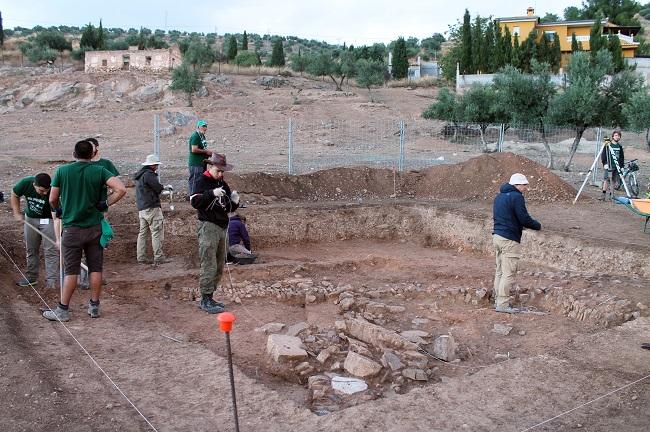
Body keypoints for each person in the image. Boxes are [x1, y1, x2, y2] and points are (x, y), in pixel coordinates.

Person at [43, 140, 126, 322]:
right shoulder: (100, 171)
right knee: (95, 268)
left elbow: (52, 198)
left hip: (72, 229)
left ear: (74, 154)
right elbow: (120, 189)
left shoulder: (62, 171)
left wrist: (58, 210)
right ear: (92, 154)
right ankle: (94, 306)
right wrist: (105, 204)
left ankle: (63, 310)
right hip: (94, 228)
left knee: (71, 271)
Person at [190, 153, 240, 314]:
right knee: (209, 263)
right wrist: (211, 194)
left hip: (221, 227)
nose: (221, 174)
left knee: (219, 264)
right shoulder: (201, 182)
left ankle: (210, 296)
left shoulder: (222, 184)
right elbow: (195, 202)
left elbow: (229, 209)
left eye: (222, 171)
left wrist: (234, 202)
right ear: (210, 167)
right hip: (208, 226)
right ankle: (205, 298)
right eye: (219, 170)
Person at [492, 173, 541, 314]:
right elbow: (524, 218)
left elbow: (505, 216)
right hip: (509, 239)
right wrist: (537, 225)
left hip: (497, 236)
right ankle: (502, 304)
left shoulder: (499, 196)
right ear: (517, 185)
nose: (525, 188)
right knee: (508, 273)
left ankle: (497, 300)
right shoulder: (517, 197)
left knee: (500, 272)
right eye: (524, 185)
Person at [11, 173, 58, 289]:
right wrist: (17, 213)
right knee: (31, 248)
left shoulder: (53, 190)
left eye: (46, 190)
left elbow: (57, 215)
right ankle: (31, 278)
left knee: (51, 250)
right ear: (34, 185)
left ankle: (51, 282)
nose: (45, 193)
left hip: (49, 220)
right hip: (30, 219)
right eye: (41, 191)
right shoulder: (25, 183)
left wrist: (59, 234)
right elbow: (14, 194)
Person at [134, 154, 173, 265]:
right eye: (156, 165)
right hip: (152, 207)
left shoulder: (140, 176)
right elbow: (157, 188)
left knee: (142, 233)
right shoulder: (150, 175)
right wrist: (164, 188)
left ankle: (141, 257)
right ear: (152, 165)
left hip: (142, 208)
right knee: (156, 232)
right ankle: (159, 257)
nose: (156, 167)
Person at [188, 120, 213, 195]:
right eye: (203, 126)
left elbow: (203, 148)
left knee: (200, 180)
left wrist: (208, 154)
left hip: (202, 162)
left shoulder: (202, 136)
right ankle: (192, 196)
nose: (205, 128)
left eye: (205, 126)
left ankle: (198, 195)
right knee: (195, 179)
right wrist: (206, 152)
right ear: (198, 127)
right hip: (196, 163)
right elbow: (194, 149)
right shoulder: (195, 136)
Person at [601, 131, 624, 200]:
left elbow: (621, 157)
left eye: (618, 136)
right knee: (606, 180)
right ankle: (603, 195)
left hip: (616, 166)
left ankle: (612, 195)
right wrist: (605, 163)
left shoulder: (619, 146)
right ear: (613, 136)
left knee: (613, 180)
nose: (617, 137)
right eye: (616, 135)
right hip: (609, 165)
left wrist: (622, 166)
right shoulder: (608, 145)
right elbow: (603, 155)